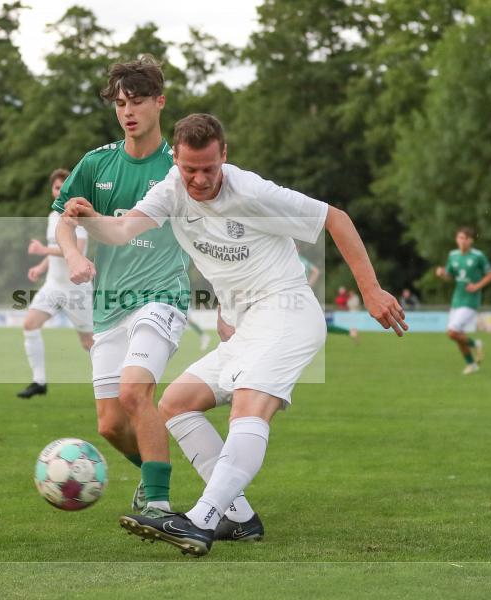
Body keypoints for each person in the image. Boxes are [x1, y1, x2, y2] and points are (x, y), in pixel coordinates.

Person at [63, 113, 407, 556]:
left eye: (209, 168)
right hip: (247, 326)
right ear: (177, 161)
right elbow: (124, 229)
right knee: (174, 404)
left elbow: (335, 219)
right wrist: (89, 218)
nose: (200, 179)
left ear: (224, 155)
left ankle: (201, 520)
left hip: (288, 312)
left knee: (248, 404)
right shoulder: (170, 188)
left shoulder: (253, 192)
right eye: (190, 169)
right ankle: (241, 519)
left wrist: (371, 289)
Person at [54, 56, 190, 515]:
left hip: (162, 296)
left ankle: (160, 505)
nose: (127, 111)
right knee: (111, 424)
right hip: (109, 304)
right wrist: (72, 252)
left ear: (159, 103)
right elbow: (60, 220)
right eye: (119, 103)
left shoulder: (178, 168)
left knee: (135, 392)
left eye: (136, 101)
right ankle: (154, 472)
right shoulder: (96, 163)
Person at [16, 168, 94, 399]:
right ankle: (39, 381)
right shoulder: (53, 217)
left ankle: (113, 381)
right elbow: (55, 251)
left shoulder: (79, 217)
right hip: (53, 285)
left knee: (89, 342)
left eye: (64, 187)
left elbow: (77, 252)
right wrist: (40, 267)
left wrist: (42, 249)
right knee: (30, 324)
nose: (59, 191)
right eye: (56, 188)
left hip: (76, 288)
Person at [434, 227, 491, 374]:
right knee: (457, 335)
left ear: (470, 240)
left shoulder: (478, 256)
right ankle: (471, 364)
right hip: (457, 300)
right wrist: (442, 273)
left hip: (470, 301)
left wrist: (477, 286)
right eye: (459, 238)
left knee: (452, 332)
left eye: (465, 238)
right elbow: (450, 276)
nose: (462, 241)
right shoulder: (453, 255)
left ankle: (476, 343)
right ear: (456, 240)